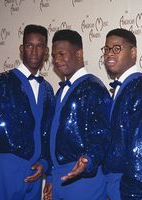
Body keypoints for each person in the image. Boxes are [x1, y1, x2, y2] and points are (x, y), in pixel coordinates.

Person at [43, 29, 111, 200]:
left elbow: (102, 134)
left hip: (84, 180)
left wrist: (88, 159)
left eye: (62, 53)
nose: (56, 60)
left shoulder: (94, 87)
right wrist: (51, 177)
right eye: (53, 55)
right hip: (60, 178)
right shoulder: (60, 92)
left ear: (79, 54)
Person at [0, 24, 55, 199]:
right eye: (30, 46)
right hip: (4, 169)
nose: (35, 51)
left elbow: (49, 132)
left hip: (35, 171)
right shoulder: (1, 82)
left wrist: (46, 165)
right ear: (22, 49)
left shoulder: (48, 89)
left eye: (40, 46)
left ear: (46, 51)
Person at [101, 28, 142, 200]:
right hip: (114, 182)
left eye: (117, 48)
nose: (110, 54)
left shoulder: (141, 89)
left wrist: (131, 193)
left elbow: (141, 149)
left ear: (133, 52)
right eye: (107, 49)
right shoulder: (125, 86)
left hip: (129, 187)